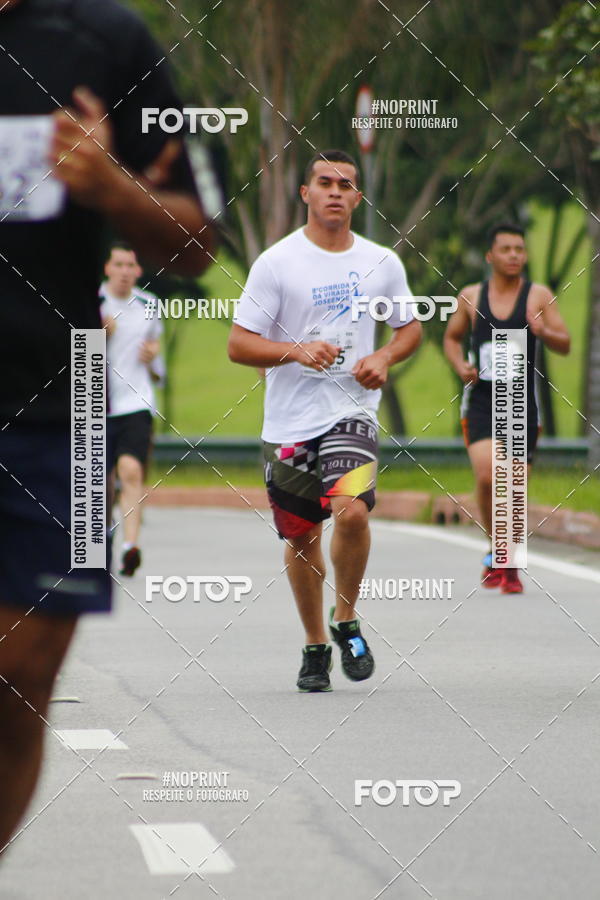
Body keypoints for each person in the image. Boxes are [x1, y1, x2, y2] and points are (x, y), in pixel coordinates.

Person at [0, 0, 213, 850]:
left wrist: (111, 185)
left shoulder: (110, 41)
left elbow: (198, 239)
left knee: (20, 680)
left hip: (67, 404)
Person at [228, 149, 422, 692]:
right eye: (324, 182)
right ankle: (315, 645)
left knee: (352, 513)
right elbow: (238, 344)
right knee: (302, 536)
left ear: (358, 197)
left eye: (346, 184)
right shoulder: (277, 263)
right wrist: (294, 351)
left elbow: (409, 329)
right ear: (305, 193)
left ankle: (346, 619)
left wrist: (383, 357)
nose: (335, 191)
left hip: (351, 413)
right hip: (289, 423)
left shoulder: (382, 262)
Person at [443, 223, 570, 593]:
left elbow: (564, 343)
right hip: (481, 399)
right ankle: (496, 546)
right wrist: (459, 365)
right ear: (490, 256)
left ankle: (508, 562)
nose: (514, 255)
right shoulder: (471, 296)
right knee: (487, 477)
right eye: (506, 249)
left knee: (513, 483)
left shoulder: (538, 295)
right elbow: (451, 338)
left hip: (520, 402)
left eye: (520, 249)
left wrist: (544, 331)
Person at [101, 244, 162, 577]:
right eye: (118, 264)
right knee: (103, 483)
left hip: (136, 402)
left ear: (138, 270)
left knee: (131, 471)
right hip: (96, 405)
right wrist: (98, 336)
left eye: (130, 264)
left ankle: (131, 546)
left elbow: (157, 367)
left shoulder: (149, 305)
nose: (125, 270)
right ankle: (105, 537)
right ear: (107, 269)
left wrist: (153, 359)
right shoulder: (91, 304)